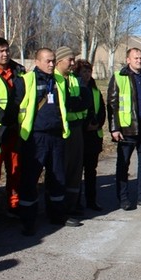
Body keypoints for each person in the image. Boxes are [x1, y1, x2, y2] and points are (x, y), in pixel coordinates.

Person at [15, 48, 76, 235]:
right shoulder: (25, 81)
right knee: (30, 179)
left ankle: (57, 215)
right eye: (47, 61)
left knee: (57, 177)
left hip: (56, 136)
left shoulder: (60, 80)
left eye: (53, 61)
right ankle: (28, 220)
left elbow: (64, 106)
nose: (51, 64)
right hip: (35, 137)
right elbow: (16, 108)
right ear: (37, 61)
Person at [107, 48, 141, 210]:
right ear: (128, 60)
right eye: (136, 58)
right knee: (123, 165)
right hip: (127, 128)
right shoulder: (119, 77)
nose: (139, 61)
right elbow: (112, 104)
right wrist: (114, 128)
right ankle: (123, 198)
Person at [0, 37, 25, 224]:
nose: (5, 53)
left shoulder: (19, 71)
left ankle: (14, 206)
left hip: (16, 130)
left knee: (16, 171)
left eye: (7, 50)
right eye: (1, 50)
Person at [53, 47, 89, 221]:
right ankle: (59, 209)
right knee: (61, 169)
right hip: (60, 129)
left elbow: (85, 100)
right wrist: (74, 103)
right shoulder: (54, 79)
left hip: (76, 128)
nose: (73, 63)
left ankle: (72, 205)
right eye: (70, 60)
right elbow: (63, 103)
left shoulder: (76, 79)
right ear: (59, 60)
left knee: (75, 168)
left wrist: (74, 103)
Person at [74, 59, 105, 211]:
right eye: (84, 71)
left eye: (89, 71)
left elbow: (102, 111)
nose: (87, 75)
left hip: (94, 137)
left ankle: (91, 200)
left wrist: (97, 124)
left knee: (91, 171)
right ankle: (76, 201)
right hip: (80, 135)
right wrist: (86, 125)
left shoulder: (95, 90)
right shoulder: (75, 88)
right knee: (77, 171)